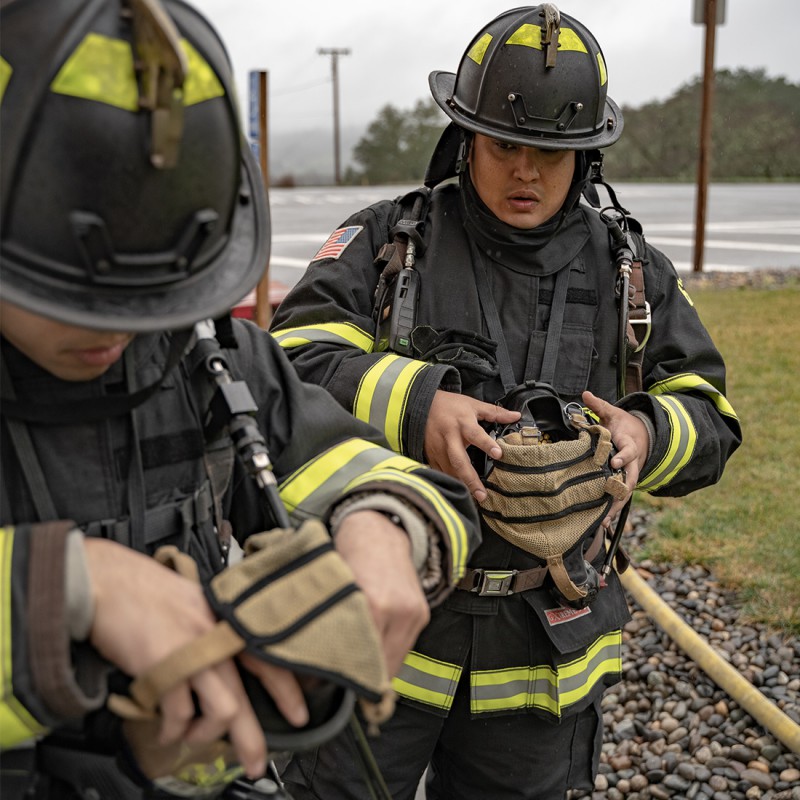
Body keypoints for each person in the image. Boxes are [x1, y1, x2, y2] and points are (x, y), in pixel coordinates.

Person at [0, 1, 480, 799]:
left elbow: (358, 466)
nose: (120, 334)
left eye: (158, 294)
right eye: (78, 298)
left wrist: (388, 525)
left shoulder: (205, 358)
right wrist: (68, 589)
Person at [270, 5, 743, 798]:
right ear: (465, 138)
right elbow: (285, 367)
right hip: (380, 632)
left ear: (586, 157)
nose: (526, 172)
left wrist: (647, 433)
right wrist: (419, 405)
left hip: (538, 663)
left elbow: (711, 417)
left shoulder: (631, 273)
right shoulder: (387, 243)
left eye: (552, 154)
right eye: (505, 146)